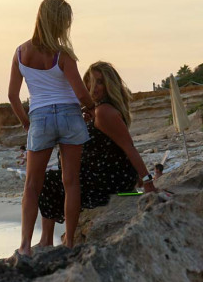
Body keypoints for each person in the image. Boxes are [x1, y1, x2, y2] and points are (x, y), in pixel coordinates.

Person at [8, 0, 97, 255]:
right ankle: (69, 242)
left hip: (40, 117)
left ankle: (24, 246)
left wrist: (26, 122)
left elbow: (13, 96)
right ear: (60, 23)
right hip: (70, 115)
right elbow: (80, 92)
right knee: (70, 182)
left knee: (32, 185)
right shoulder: (63, 55)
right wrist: (91, 109)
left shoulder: (21, 53)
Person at [36, 62, 159, 247]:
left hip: (109, 180)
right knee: (57, 178)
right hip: (102, 175)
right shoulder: (98, 111)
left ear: (110, 85)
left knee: (49, 180)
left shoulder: (104, 112)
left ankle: (47, 240)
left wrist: (148, 182)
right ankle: (47, 239)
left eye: (99, 82)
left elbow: (129, 148)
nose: (93, 88)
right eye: (89, 82)